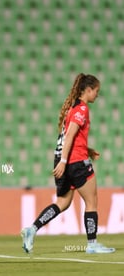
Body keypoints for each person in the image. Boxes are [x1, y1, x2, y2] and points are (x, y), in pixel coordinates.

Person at [21, 73, 115, 254]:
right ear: (88, 90)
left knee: (63, 203)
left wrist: (87, 150)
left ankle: (32, 229)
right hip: (75, 162)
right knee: (92, 202)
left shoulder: (72, 109)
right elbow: (70, 136)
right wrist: (65, 161)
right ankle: (92, 244)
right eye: (96, 91)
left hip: (66, 159)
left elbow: (71, 137)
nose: (97, 94)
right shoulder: (82, 110)